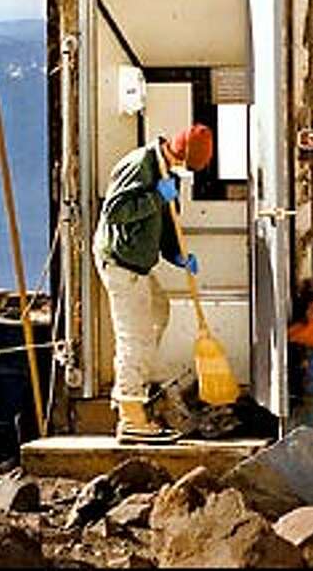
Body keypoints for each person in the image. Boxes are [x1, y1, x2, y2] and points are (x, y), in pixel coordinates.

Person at [92, 123, 214, 443]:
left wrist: (177, 255)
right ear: (179, 151)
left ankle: (140, 384)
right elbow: (115, 212)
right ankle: (131, 417)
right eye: (185, 165)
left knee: (159, 311)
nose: (182, 172)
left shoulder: (169, 174)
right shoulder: (138, 165)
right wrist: (154, 197)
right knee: (135, 336)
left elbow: (167, 224)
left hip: (139, 263)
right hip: (120, 262)